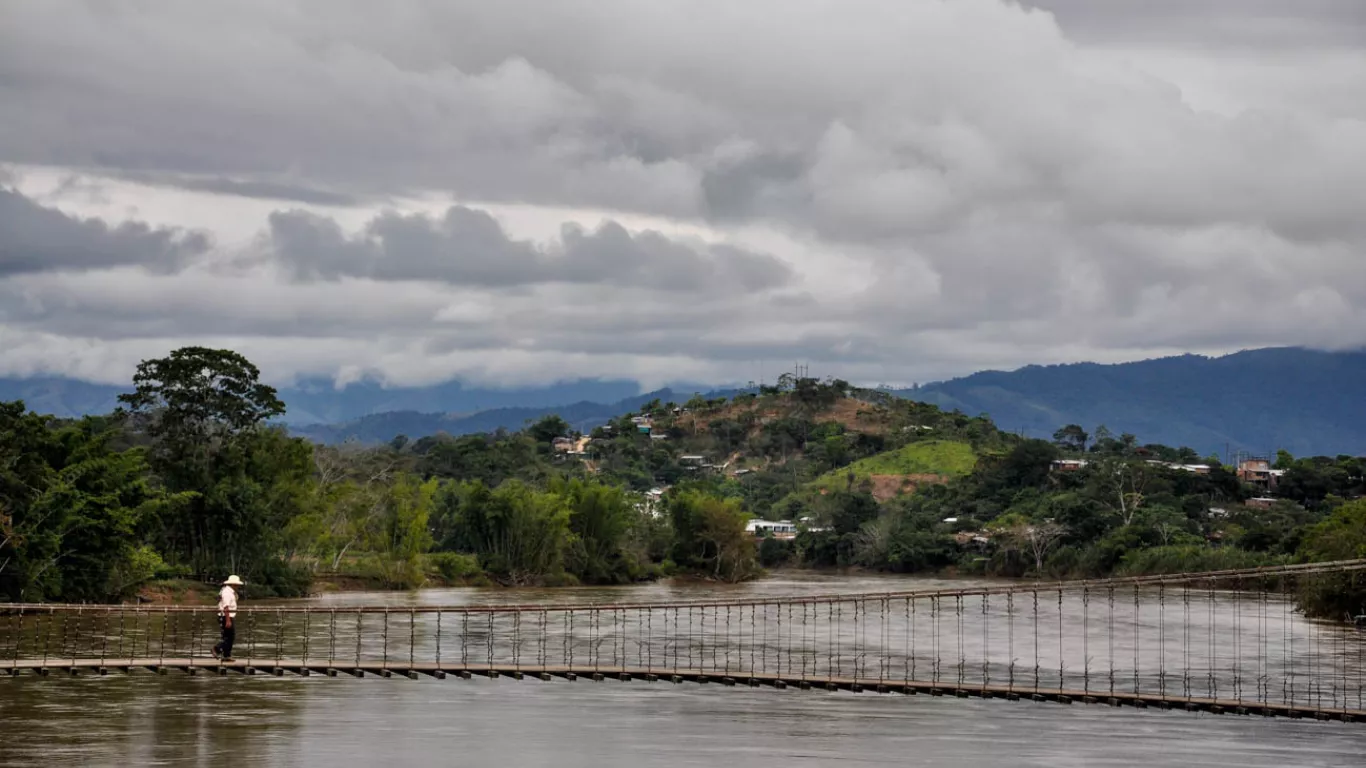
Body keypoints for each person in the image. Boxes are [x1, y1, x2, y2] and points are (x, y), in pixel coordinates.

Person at [212, 575, 244, 660]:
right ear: (233, 584)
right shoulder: (227, 592)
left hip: (227, 616)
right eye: (237, 585)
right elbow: (226, 606)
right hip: (226, 616)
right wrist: (228, 620)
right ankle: (217, 649)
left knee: (228, 637)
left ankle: (226, 655)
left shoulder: (229, 591)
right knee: (230, 637)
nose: (238, 587)